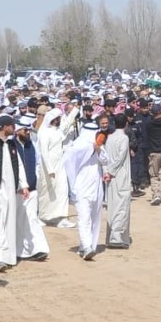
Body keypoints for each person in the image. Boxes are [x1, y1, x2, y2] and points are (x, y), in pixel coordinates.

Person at [0, 114, 27, 272]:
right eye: (11, 125)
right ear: (4, 127)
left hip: (11, 190)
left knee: (10, 222)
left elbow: (19, 165)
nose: (14, 128)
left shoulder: (11, 145)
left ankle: (9, 256)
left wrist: (23, 185)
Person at [64, 118, 107, 258]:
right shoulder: (76, 146)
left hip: (97, 187)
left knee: (95, 218)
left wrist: (98, 149)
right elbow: (69, 163)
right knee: (84, 217)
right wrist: (72, 187)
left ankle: (87, 246)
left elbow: (105, 160)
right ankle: (87, 246)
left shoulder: (98, 145)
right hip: (81, 187)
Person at [13, 115, 50, 260]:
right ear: (17, 131)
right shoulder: (11, 146)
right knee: (17, 222)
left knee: (31, 218)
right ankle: (18, 251)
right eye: (25, 130)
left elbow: (37, 164)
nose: (27, 132)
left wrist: (35, 180)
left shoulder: (31, 145)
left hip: (32, 189)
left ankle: (38, 249)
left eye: (28, 130)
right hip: (16, 191)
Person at [36, 108, 73, 227]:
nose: (59, 120)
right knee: (47, 192)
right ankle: (43, 217)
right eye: (58, 118)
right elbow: (44, 153)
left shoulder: (58, 131)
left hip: (60, 166)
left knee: (62, 190)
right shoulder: (44, 133)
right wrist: (50, 169)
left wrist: (75, 110)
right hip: (48, 168)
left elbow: (67, 126)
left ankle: (61, 218)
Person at [103, 113, 132, 248]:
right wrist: (111, 171)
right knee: (121, 206)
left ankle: (112, 236)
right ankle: (116, 237)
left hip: (111, 176)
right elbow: (120, 157)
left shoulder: (110, 138)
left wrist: (107, 171)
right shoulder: (124, 138)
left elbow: (106, 157)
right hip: (120, 175)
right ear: (126, 124)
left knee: (113, 205)